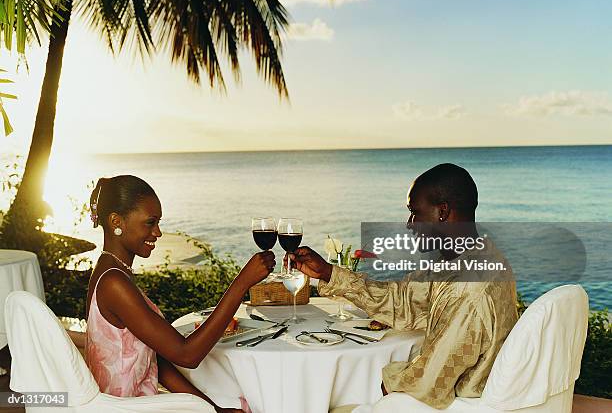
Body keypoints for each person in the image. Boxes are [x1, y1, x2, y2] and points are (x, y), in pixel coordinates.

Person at [289, 163, 518, 410]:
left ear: (442, 211)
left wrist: (391, 381)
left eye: (414, 212)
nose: (410, 223)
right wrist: (328, 272)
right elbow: (403, 300)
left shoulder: (468, 287)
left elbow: (428, 384)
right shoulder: (472, 256)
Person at [85, 175, 274, 413]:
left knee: (234, 400)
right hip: (126, 408)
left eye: (159, 222)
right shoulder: (113, 282)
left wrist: (214, 409)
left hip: (137, 401)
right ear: (116, 221)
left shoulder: (113, 271)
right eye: (150, 223)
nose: (158, 232)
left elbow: (157, 359)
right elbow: (187, 355)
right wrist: (241, 283)